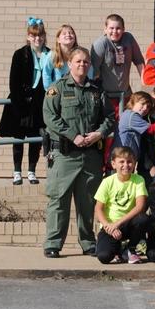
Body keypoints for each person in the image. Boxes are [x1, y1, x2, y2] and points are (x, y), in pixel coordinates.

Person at [41, 46, 116, 258]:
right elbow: (50, 118)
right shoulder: (57, 89)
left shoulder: (96, 91)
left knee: (88, 202)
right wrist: (72, 135)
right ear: (69, 63)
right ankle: (53, 243)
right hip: (65, 154)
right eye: (78, 61)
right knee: (59, 200)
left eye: (85, 62)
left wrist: (99, 134)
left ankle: (88, 243)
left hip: (90, 154)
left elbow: (109, 118)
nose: (82, 65)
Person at [0, 17, 49, 185]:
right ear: (28, 37)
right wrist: (20, 103)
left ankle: (32, 171)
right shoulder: (20, 54)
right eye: (33, 36)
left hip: (39, 103)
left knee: (36, 139)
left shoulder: (49, 54)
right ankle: (17, 171)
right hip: (20, 103)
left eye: (40, 35)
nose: (37, 39)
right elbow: (13, 82)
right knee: (18, 138)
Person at [93, 146, 152, 265]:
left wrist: (118, 223)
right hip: (110, 227)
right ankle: (118, 250)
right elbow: (98, 209)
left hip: (128, 224)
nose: (126, 165)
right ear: (113, 164)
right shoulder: (107, 182)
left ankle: (130, 249)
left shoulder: (138, 180)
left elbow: (140, 206)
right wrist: (108, 226)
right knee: (104, 257)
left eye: (130, 161)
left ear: (134, 163)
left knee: (143, 218)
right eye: (122, 162)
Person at [91, 13, 144, 115]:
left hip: (126, 94)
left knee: (129, 124)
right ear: (105, 29)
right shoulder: (100, 44)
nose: (114, 31)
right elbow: (93, 72)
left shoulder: (129, 39)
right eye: (111, 28)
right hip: (107, 96)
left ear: (123, 29)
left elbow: (139, 62)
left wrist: (145, 83)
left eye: (118, 28)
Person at [114, 91, 155, 185]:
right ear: (133, 102)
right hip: (122, 159)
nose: (145, 108)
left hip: (126, 159)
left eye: (148, 106)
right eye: (142, 103)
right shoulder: (132, 116)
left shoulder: (130, 115)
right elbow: (154, 129)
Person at [42, 24, 88, 90]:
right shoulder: (53, 55)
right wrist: (49, 90)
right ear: (58, 39)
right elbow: (46, 73)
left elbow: (88, 70)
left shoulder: (80, 54)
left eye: (71, 33)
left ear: (75, 38)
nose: (68, 34)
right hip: (59, 90)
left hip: (77, 90)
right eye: (64, 33)